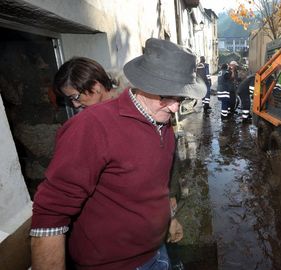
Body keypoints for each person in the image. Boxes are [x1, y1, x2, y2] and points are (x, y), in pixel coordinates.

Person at [30, 38, 206, 270]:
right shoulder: (91, 126)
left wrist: (168, 220)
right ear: (144, 83)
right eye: (165, 96)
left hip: (156, 251)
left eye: (180, 98)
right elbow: (51, 214)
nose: (175, 108)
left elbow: (153, 184)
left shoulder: (163, 122)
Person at [53, 57, 118, 110]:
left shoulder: (126, 106)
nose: (76, 105)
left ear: (95, 87)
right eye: (71, 99)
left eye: (76, 97)